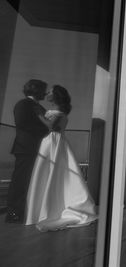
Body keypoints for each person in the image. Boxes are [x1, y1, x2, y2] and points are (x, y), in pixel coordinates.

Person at [25, 85, 97, 231]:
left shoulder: (59, 113)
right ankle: (48, 207)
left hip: (53, 143)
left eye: (51, 92)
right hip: (55, 143)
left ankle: (47, 209)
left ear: (56, 96)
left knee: (50, 172)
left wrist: (38, 114)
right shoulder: (57, 111)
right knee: (53, 173)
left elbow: (51, 127)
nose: (48, 93)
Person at [5, 79, 49, 223]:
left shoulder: (37, 106)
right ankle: (13, 213)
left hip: (35, 148)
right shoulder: (23, 104)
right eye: (44, 90)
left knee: (30, 180)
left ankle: (24, 210)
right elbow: (22, 123)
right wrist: (46, 130)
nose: (46, 93)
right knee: (20, 181)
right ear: (37, 90)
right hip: (26, 148)